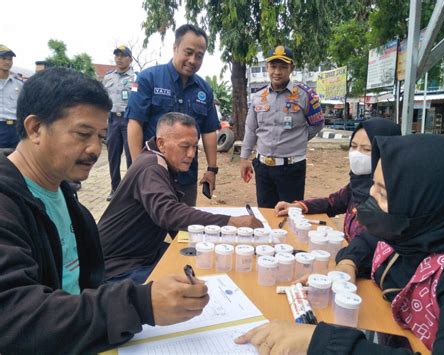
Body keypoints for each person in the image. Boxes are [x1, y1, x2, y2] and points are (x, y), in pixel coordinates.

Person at [0, 68, 209, 354]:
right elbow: (14, 319)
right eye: (83, 134)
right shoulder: (7, 205)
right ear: (35, 128)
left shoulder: (66, 199)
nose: (95, 149)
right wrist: (139, 304)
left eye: (101, 136)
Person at [236, 134, 444, 354]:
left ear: (426, 201)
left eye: (382, 193)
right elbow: (370, 240)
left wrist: (321, 343)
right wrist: (346, 267)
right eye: (373, 186)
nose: (366, 202)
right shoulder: (416, 232)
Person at [98, 112, 263, 284]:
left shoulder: (158, 160)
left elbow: (171, 219)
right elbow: (169, 213)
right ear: (161, 143)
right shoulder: (152, 168)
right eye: (185, 146)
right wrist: (231, 222)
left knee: (203, 261)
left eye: (194, 146)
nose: (191, 154)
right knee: (196, 285)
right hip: (118, 267)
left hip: (143, 252)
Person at [126, 24, 220, 206]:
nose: (193, 60)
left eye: (199, 56)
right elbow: (135, 123)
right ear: (175, 48)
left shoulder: (204, 89)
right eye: (188, 52)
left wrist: (212, 169)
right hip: (153, 175)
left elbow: (209, 131)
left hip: (186, 178)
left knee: (183, 230)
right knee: (149, 229)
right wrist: (139, 170)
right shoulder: (148, 79)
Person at [275, 117, 401, 242]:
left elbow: (372, 245)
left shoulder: (390, 197)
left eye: (367, 149)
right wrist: (299, 206)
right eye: (353, 146)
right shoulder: (357, 184)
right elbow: (333, 203)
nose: (357, 154)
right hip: (347, 256)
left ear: (386, 152)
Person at [240, 45, 324, 208]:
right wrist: (244, 158)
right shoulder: (259, 97)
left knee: (289, 217)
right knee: (265, 214)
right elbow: (251, 129)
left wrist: (298, 139)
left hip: (292, 169)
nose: (277, 72)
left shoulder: (305, 95)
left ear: (292, 68)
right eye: (273, 66)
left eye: (283, 67)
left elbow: (317, 124)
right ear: (267, 67)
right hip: (263, 168)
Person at [103, 45, 135, 201]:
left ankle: (129, 190)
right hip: (112, 120)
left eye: (122, 55)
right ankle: (115, 188)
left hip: (129, 120)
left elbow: (137, 99)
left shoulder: (136, 78)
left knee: (131, 156)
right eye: (116, 55)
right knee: (113, 156)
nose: (119, 58)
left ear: (130, 58)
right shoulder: (108, 77)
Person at [0, 44, 22, 149]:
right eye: (4, 58)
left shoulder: (18, 85)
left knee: (14, 160)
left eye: (10, 59)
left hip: (15, 129)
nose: (8, 62)